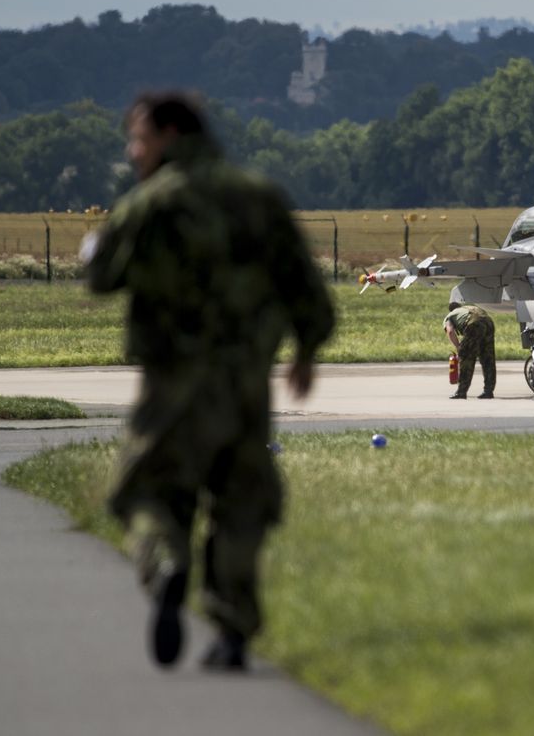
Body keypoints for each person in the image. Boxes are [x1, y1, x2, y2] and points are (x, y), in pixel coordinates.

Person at [82, 92, 334, 672]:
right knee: (241, 501)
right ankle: (232, 631)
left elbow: (101, 275)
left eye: (139, 139)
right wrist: (306, 351)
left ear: (169, 135)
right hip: (246, 381)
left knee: (147, 492)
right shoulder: (258, 197)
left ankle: (167, 564)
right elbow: (305, 285)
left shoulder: (150, 203)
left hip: (172, 381)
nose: (133, 150)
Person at [443, 302, 496, 399]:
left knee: (466, 359)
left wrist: (459, 347)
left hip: (474, 324)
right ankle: (488, 391)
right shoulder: (469, 308)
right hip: (488, 322)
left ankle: (461, 392)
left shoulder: (450, 316)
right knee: (488, 359)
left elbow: (450, 332)